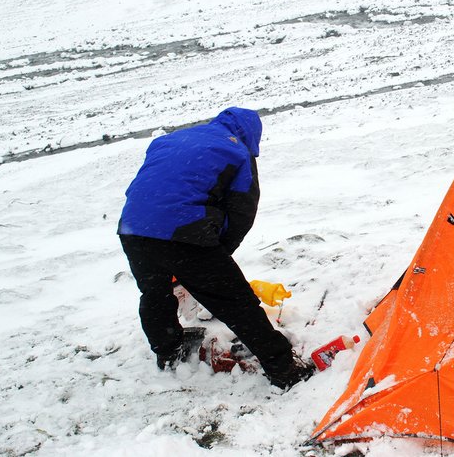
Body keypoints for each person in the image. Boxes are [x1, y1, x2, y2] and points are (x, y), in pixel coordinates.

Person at [117, 107, 313, 390]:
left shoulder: (169, 140)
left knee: (154, 292)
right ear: (251, 135)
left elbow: (152, 186)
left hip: (133, 228)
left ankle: (168, 350)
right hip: (183, 230)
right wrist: (219, 257)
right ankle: (284, 369)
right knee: (237, 303)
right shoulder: (236, 151)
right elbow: (241, 212)